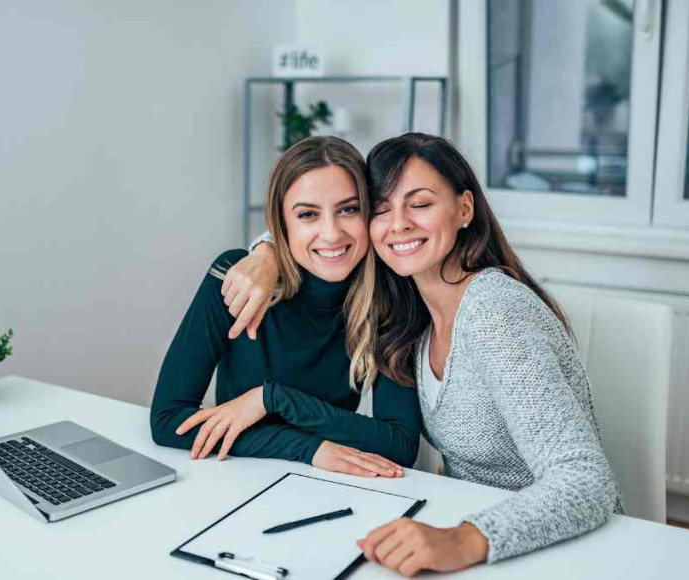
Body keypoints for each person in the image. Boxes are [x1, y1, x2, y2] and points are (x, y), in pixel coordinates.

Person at [221, 133, 621, 575]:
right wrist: (268, 250)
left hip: (560, 552)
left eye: (421, 204)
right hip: (483, 543)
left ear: (464, 209)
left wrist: (464, 538)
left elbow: (587, 483)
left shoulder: (494, 312)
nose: (398, 224)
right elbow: (325, 222)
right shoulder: (412, 311)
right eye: (381, 209)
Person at [149, 136, 421, 478]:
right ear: (282, 224)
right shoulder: (236, 279)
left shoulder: (390, 297)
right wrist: (306, 448)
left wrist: (271, 399)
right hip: (231, 477)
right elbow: (168, 421)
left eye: (348, 209)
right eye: (308, 214)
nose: (331, 233)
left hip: (325, 484)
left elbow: (401, 445)